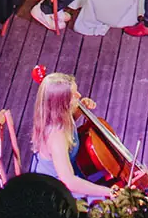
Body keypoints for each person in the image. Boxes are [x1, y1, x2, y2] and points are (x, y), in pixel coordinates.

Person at [28, 71, 115, 200]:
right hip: (56, 190)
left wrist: (80, 110)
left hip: (72, 171)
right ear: (62, 103)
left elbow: (70, 124)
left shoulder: (60, 115)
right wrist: (109, 192)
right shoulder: (56, 137)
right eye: (73, 95)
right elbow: (69, 182)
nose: (79, 95)